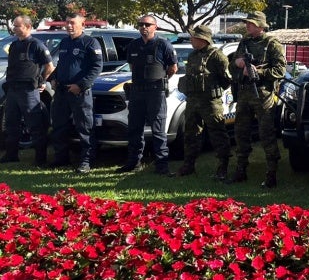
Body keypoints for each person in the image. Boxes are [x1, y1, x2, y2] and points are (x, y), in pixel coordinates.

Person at [226, 11, 286, 188]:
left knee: (266, 133)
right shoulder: (244, 43)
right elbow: (232, 67)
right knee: (241, 132)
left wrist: (257, 72)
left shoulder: (272, 44)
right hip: (244, 93)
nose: (247, 26)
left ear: (260, 25)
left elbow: (280, 70)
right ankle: (241, 169)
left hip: (263, 94)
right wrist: (238, 66)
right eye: (247, 23)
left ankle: (271, 173)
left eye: (251, 23)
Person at [116, 15, 178, 175]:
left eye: (147, 24)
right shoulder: (133, 45)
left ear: (154, 27)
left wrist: (158, 81)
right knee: (134, 128)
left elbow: (173, 68)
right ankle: (134, 163)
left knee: (158, 130)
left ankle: (162, 166)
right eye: (141, 24)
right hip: (137, 91)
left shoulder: (163, 44)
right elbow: (131, 65)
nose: (144, 27)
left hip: (155, 92)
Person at [48, 13, 103, 173]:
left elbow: (96, 67)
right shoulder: (65, 42)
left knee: (84, 127)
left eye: (72, 23)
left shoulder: (90, 42)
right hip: (62, 91)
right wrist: (54, 78)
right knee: (59, 125)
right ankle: (61, 158)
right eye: (67, 23)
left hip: (79, 92)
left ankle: (86, 161)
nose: (69, 26)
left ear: (83, 25)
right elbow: (62, 64)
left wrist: (81, 85)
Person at [176, 24, 233, 179]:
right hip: (193, 100)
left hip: (210, 102)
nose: (191, 39)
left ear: (202, 39)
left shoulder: (217, 56)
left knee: (217, 133)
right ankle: (189, 165)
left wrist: (212, 89)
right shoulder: (193, 55)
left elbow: (227, 79)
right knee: (191, 133)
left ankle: (223, 167)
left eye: (193, 36)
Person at [1, 15, 55, 166]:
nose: (14, 29)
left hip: (29, 91)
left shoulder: (36, 45)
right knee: (11, 124)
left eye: (18, 26)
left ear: (28, 27)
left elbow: (50, 67)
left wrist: (42, 81)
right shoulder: (14, 45)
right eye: (14, 26)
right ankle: (11, 154)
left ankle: (40, 158)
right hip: (12, 90)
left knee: (35, 125)